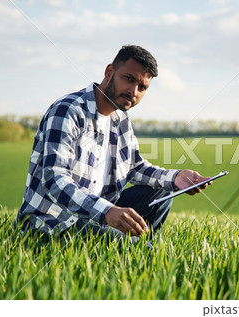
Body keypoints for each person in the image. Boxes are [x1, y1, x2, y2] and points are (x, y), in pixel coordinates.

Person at [15, 45, 211, 247]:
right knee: (142, 252)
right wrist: (107, 211)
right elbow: (54, 178)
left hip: (97, 215)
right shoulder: (68, 110)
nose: (133, 92)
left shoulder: (121, 118)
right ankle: (140, 249)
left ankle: (140, 242)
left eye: (142, 87)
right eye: (128, 79)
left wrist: (176, 177)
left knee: (161, 192)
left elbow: (135, 168)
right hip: (55, 223)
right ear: (109, 72)